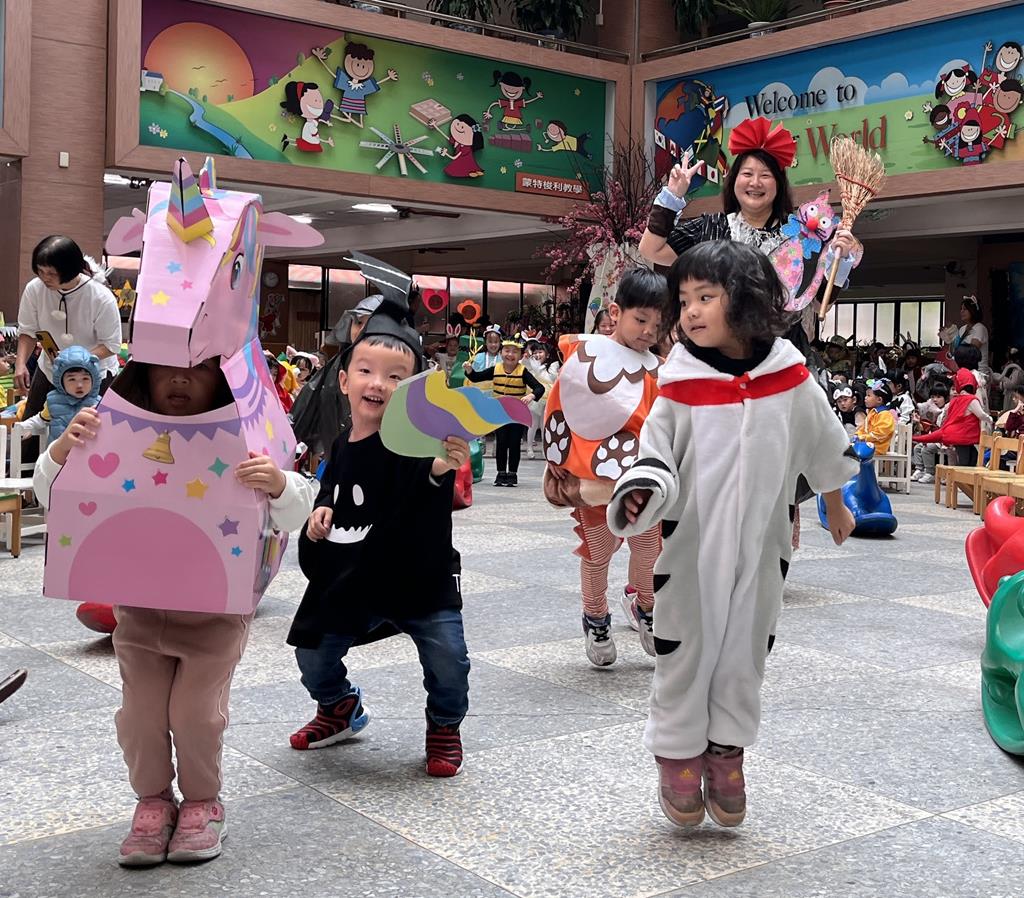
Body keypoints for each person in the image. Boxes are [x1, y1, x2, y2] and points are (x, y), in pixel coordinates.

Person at [606, 241, 856, 829]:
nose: (691, 311)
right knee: (685, 645)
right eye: (685, 300)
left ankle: (726, 750)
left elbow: (823, 439)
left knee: (745, 647)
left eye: (706, 297)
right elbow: (656, 454)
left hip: (763, 547)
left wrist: (836, 502)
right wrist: (642, 489)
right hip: (692, 548)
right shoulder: (680, 382)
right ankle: (677, 750)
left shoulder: (790, 377)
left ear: (743, 299)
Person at [33, 359, 316, 867]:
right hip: (139, 614)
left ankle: (204, 803)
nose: (180, 378)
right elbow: (49, 493)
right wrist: (62, 451)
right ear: (143, 376)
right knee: (140, 716)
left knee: (195, 715)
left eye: (198, 369)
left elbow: (294, 509)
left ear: (220, 379)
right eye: (165, 368)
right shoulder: (113, 429)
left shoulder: (241, 437)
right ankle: (153, 802)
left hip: (214, 618)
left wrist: (278, 484)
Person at [287, 294, 472, 778]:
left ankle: (444, 724)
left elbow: (428, 472)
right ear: (344, 380)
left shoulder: (418, 443)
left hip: (420, 578)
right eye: (367, 371)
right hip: (354, 575)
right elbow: (333, 482)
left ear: (412, 391)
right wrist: (322, 507)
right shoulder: (342, 442)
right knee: (312, 651)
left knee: (449, 659)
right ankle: (338, 706)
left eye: (395, 377)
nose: (378, 384)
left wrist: (442, 464)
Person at [639, 117, 860, 348]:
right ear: (734, 180)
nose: (755, 182)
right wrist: (672, 197)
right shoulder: (710, 227)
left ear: (779, 185)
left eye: (765, 175)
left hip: (779, 354)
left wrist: (840, 262)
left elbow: (819, 305)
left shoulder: (801, 236)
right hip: (717, 353)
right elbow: (651, 250)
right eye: (747, 174)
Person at [545, 268, 668, 666]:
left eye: (657, 324)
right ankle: (596, 617)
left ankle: (646, 607)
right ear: (616, 312)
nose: (648, 331)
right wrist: (557, 456)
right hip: (592, 480)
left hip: (641, 481)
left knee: (649, 552)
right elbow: (559, 405)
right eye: (641, 319)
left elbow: (668, 423)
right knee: (598, 553)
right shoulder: (585, 357)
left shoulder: (659, 370)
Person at [15, 236, 121, 424]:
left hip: (92, 375)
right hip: (49, 369)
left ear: (70, 269)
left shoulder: (100, 297)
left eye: (51, 273)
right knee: (31, 425)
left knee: (91, 429)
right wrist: (20, 363)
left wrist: (73, 360)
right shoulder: (34, 289)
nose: (44, 278)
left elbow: (111, 345)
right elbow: (28, 331)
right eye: (40, 271)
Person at [290, 295, 383, 465]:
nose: (362, 329)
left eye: (370, 323)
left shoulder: (399, 365)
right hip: (337, 455)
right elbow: (309, 398)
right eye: (358, 322)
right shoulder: (338, 363)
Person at [463, 337, 543, 486]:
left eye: (514, 352)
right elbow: (476, 377)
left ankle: (512, 474)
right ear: (501, 353)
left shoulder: (523, 371)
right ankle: (500, 473)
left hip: (517, 414)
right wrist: (469, 370)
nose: (510, 354)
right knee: (501, 442)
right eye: (507, 351)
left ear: (520, 356)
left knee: (514, 443)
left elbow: (540, 388)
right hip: (499, 413)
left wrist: (531, 395)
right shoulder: (496, 369)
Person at [913, 367, 993, 467]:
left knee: (972, 457)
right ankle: (961, 477)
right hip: (962, 437)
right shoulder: (971, 399)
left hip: (958, 435)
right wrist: (989, 419)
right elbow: (981, 414)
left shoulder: (956, 400)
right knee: (965, 463)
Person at [20, 345, 101, 442]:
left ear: (94, 380)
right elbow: (41, 420)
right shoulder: (53, 402)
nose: (79, 385)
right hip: (58, 450)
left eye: (85, 378)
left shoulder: (99, 404)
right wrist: (23, 427)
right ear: (61, 381)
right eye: (72, 379)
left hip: (86, 450)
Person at [524, 342, 559, 460]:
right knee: (532, 424)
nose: (537, 355)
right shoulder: (530, 364)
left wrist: (538, 369)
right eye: (535, 352)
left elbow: (552, 378)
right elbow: (523, 365)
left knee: (544, 425)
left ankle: (545, 449)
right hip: (534, 398)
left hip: (548, 399)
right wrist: (528, 360)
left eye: (540, 352)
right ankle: (529, 448)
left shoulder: (553, 365)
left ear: (547, 354)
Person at [910, 382, 949, 482]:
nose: (935, 400)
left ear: (945, 398)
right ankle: (920, 470)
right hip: (933, 437)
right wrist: (918, 422)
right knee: (917, 447)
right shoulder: (930, 410)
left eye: (939, 397)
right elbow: (926, 429)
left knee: (927, 449)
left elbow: (941, 428)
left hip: (943, 439)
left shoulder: (946, 410)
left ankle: (930, 472)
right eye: (933, 397)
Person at [949, 295, 990, 375]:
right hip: (964, 372)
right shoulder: (962, 329)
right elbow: (953, 351)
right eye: (961, 309)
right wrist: (950, 340)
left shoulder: (980, 328)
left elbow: (970, 353)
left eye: (965, 309)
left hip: (979, 374)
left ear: (973, 310)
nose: (961, 311)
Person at [854, 381, 898, 454]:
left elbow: (880, 434)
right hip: (868, 445)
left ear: (879, 400)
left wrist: (863, 437)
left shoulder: (885, 414)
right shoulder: (873, 412)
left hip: (877, 448)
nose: (865, 398)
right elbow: (863, 429)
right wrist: (857, 435)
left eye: (868, 395)